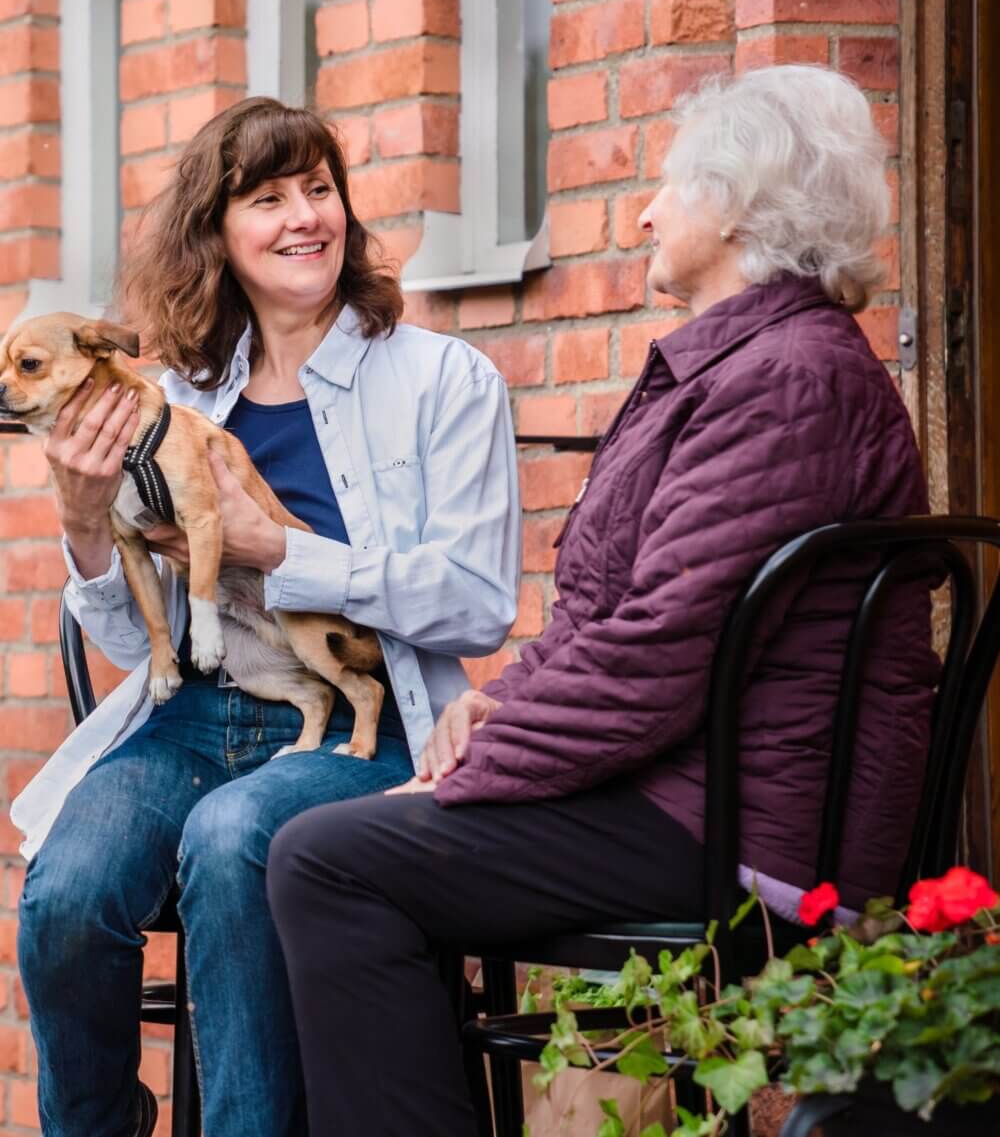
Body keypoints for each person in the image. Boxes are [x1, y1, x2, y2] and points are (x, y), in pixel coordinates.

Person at [266, 65, 940, 1136]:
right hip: (685, 789)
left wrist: (479, 771)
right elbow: (613, 617)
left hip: (740, 827)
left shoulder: (785, 381)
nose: (644, 208)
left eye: (669, 184)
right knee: (338, 842)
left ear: (735, 208)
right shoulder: (749, 366)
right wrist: (493, 708)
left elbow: (661, 648)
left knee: (330, 859)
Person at [12, 97, 521, 1137]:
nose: (304, 218)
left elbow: (475, 605)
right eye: (267, 198)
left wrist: (281, 550)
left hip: (361, 727)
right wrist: (83, 521)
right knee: (67, 888)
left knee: (234, 835)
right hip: (194, 719)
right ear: (218, 235)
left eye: (320, 190)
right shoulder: (176, 397)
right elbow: (124, 641)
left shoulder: (441, 380)